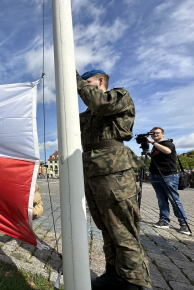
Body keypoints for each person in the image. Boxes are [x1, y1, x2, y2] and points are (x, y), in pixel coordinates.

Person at [77, 69, 151, 289]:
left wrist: (76, 81)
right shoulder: (86, 115)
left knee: (123, 229)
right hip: (92, 172)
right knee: (107, 229)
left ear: (101, 81)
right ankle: (114, 275)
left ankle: (135, 283)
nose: (84, 86)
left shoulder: (119, 96)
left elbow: (100, 103)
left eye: (87, 82)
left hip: (114, 172)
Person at [146, 127, 190, 235]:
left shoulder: (167, 143)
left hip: (168, 175)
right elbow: (157, 158)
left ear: (163, 134)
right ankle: (164, 221)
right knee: (161, 199)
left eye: (157, 133)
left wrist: (152, 142)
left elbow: (167, 151)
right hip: (155, 175)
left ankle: (183, 224)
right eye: (152, 133)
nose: (154, 135)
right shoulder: (155, 147)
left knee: (174, 199)